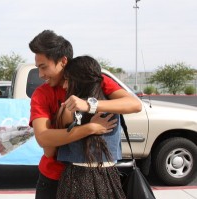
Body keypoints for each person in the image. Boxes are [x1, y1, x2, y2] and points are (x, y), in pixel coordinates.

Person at [28, 30, 142, 199]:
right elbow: (44, 139)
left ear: (63, 61)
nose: (41, 74)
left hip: (98, 177)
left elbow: (134, 104)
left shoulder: (95, 80)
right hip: (54, 179)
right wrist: (90, 128)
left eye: (44, 67)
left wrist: (90, 105)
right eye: (38, 68)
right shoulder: (42, 94)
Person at [55, 55, 126, 199]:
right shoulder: (115, 105)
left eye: (68, 80)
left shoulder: (68, 109)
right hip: (109, 177)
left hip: (76, 178)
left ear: (79, 81)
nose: (64, 86)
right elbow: (136, 105)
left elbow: (56, 142)